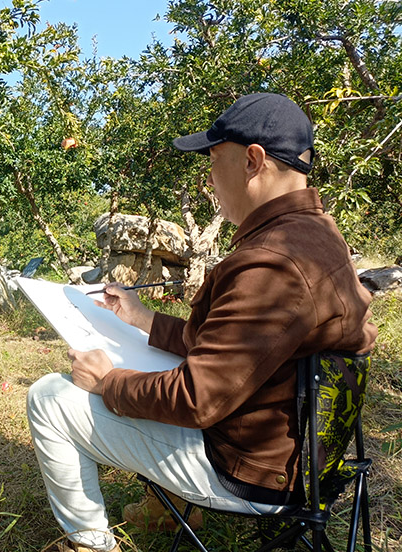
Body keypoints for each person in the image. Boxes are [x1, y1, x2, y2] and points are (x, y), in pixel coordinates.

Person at [26, 93, 377, 552]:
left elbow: (196, 399)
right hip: (296, 456)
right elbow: (233, 350)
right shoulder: (318, 234)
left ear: (253, 161)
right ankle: (162, 515)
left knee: (50, 397)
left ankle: (89, 544)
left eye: (214, 161)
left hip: (249, 472)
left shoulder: (271, 264)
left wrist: (107, 381)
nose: (210, 180)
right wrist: (145, 319)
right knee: (147, 369)